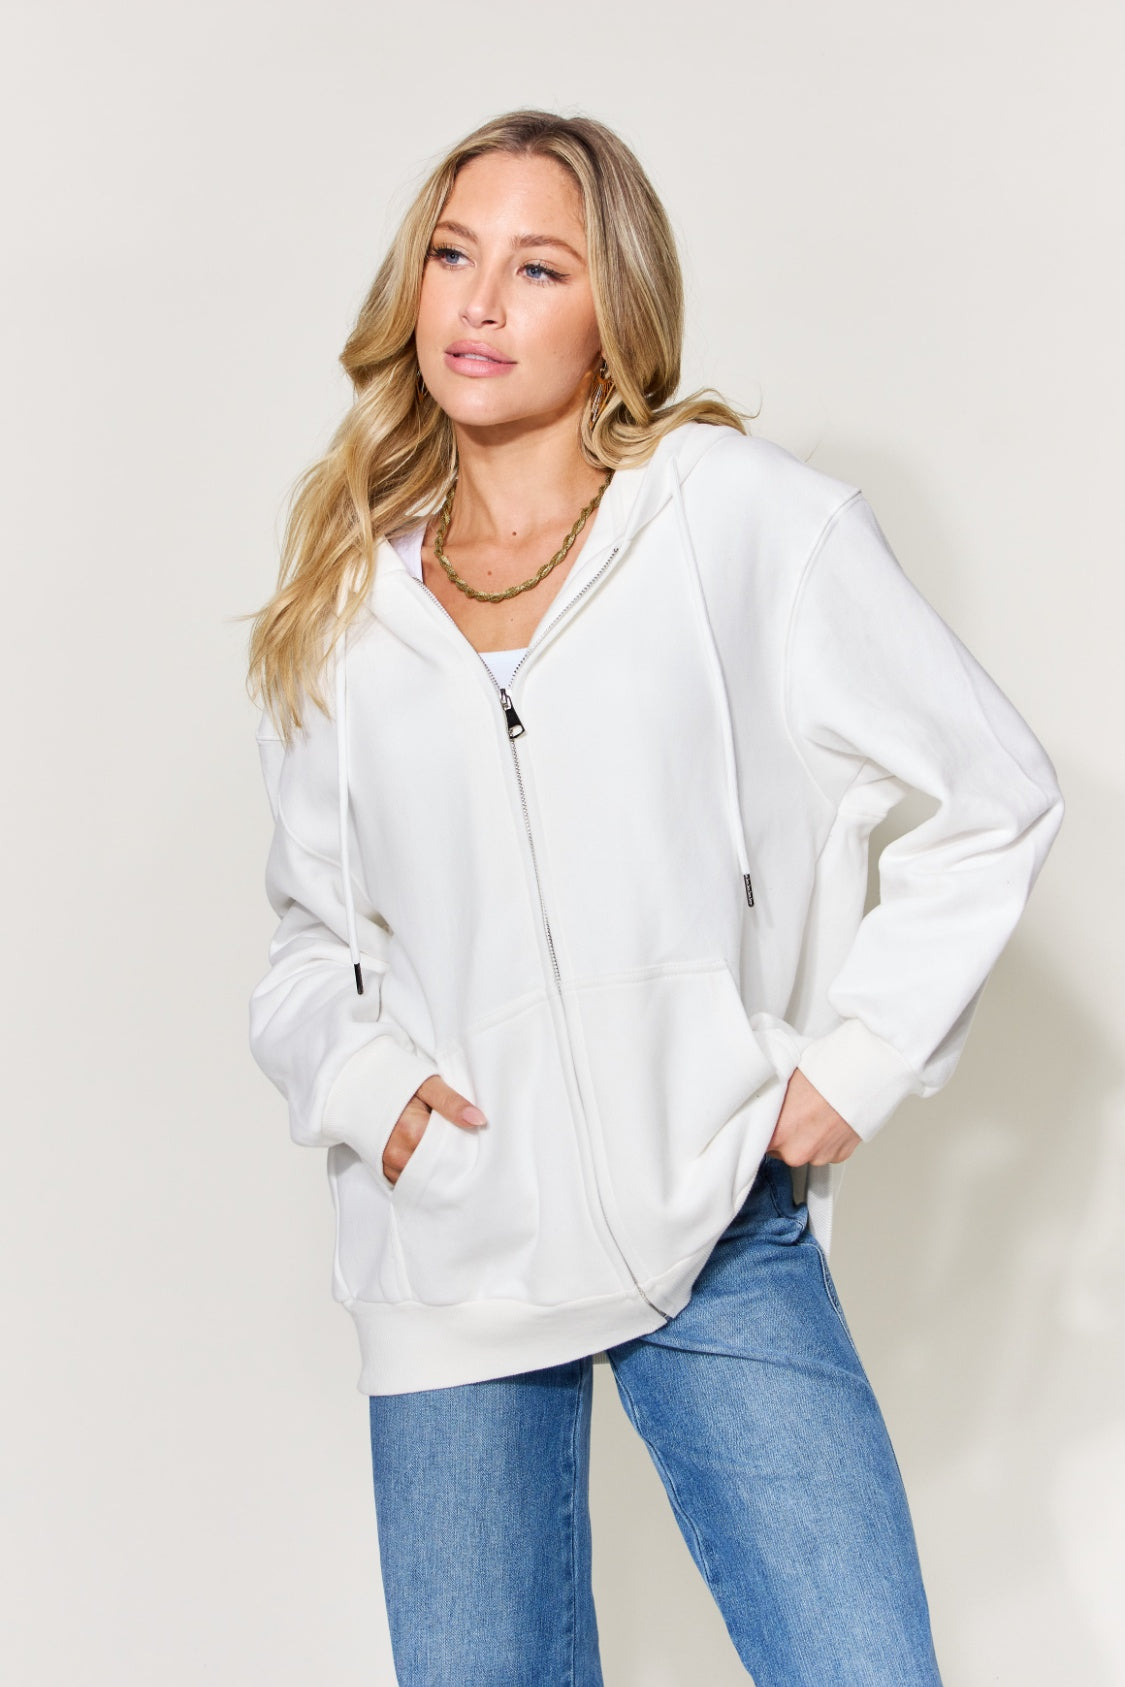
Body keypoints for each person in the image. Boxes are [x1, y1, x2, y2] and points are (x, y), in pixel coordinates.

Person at [244, 108, 1063, 1687]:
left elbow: (993, 793)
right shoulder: (341, 607)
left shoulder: (735, 520)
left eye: (537, 268)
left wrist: (855, 1064)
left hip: (712, 1213)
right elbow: (307, 945)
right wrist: (371, 1094)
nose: (482, 303)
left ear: (612, 310)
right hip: (454, 1249)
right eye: (453, 255)